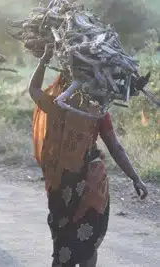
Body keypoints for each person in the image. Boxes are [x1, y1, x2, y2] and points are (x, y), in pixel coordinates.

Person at [30, 45, 148, 267]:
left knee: (63, 247)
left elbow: (34, 89)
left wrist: (44, 59)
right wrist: (135, 178)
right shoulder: (97, 108)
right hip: (91, 183)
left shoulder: (57, 104)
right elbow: (115, 147)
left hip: (63, 183)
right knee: (87, 245)